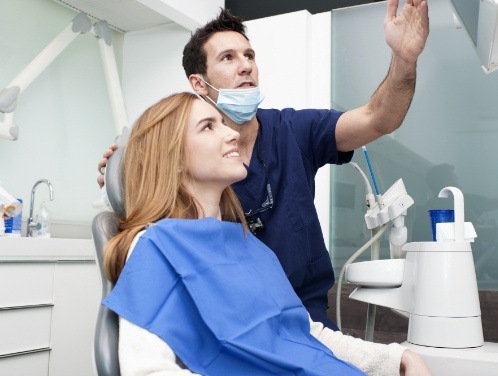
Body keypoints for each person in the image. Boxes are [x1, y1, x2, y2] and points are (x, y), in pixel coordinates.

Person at [98, 0, 429, 330]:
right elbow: (143, 200)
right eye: (228, 57)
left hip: (305, 321)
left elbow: (378, 118)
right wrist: (120, 172)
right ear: (199, 83)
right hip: (231, 322)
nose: (246, 66)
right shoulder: (184, 154)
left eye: (249, 55)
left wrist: (403, 60)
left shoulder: (294, 131)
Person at [102, 92, 432, 376]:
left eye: (223, 122)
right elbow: (147, 370)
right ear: (171, 159)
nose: (230, 133)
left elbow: (303, 335)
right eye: (208, 126)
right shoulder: (156, 247)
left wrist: (395, 358)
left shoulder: (248, 246)